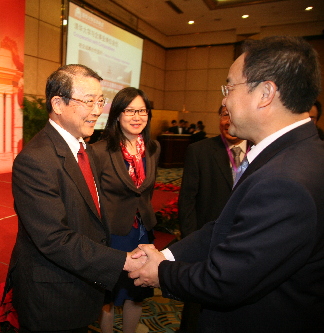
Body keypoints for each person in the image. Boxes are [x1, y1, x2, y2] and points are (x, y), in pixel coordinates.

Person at [130, 35, 324, 332]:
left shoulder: (286, 181)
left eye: (229, 87)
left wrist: (161, 272)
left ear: (265, 93)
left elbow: (225, 281)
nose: (224, 99)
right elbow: (227, 227)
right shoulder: (294, 153)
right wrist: (167, 254)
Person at [5, 64, 146, 333]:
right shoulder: (36, 160)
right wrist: (123, 261)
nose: (97, 110)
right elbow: (54, 238)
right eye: (89, 101)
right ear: (58, 104)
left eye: (100, 101)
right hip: (52, 293)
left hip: (81, 281)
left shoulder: (84, 149)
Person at [91, 87, 160, 333]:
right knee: (108, 296)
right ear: (117, 115)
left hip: (142, 233)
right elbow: (93, 197)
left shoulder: (153, 148)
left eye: (141, 110)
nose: (136, 116)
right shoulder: (99, 151)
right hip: (114, 234)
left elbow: (146, 192)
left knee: (137, 291)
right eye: (129, 110)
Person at [176, 105, 250, 332]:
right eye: (224, 115)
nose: (228, 121)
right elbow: (187, 201)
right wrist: (191, 243)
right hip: (205, 243)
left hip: (245, 242)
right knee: (195, 304)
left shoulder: (260, 151)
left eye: (234, 115)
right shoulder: (199, 151)